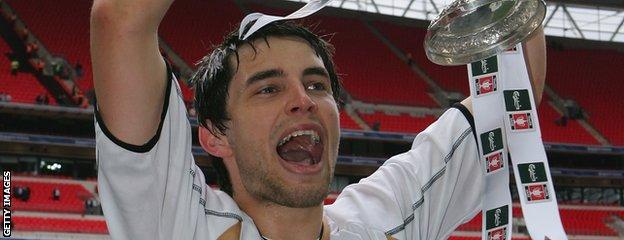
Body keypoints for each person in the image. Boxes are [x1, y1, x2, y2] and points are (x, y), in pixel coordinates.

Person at [90, 0, 546, 239]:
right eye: (268, 88)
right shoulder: (178, 224)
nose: (302, 100)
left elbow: (510, 106)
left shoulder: (384, 219)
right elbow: (120, 20)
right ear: (214, 136)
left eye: (316, 85)